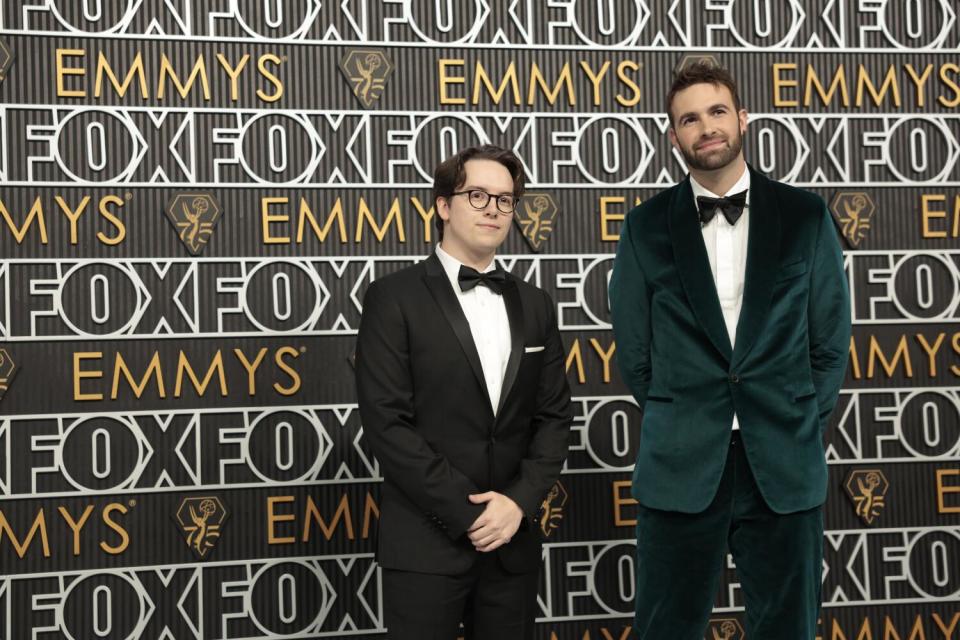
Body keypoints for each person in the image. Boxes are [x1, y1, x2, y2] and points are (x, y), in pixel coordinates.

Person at [609, 62, 851, 638]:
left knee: (788, 628)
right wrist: (682, 415)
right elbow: (636, 355)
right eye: (689, 119)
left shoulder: (805, 216)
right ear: (674, 137)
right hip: (681, 463)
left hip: (782, 461)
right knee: (666, 627)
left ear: (742, 119)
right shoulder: (645, 227)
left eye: (717, 111)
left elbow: (828, 343)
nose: (706, 127)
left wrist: (795, 421)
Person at [355, 144, 572, 639]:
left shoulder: (536, 305)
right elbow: (387, 424)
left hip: (511, 543)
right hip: (426, 543)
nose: (494, 209)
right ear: (443, 205)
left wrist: (516, 504)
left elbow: (554, 417)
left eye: (505, 199)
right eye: (478, 195)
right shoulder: (393, 298)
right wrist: (471, 513)